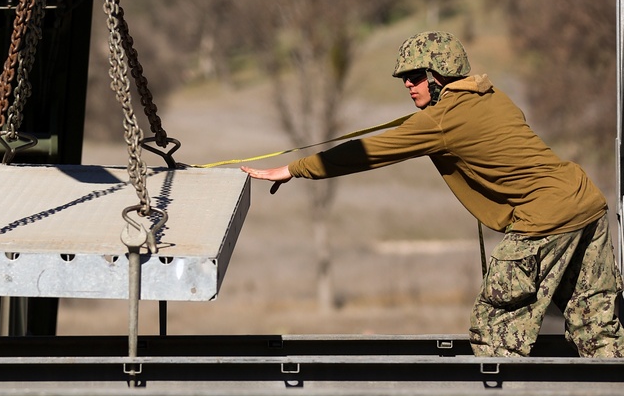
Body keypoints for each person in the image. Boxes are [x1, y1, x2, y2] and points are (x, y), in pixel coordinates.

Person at [242, 30, 624, 358]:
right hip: (586, 202)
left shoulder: (441, 120)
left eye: (414, 76)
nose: (407, 84)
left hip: (545, 219)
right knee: (597, 326)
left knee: (497, 328)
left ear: (439, 76)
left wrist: (294, 168)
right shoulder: (492, 95)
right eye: (403, 78)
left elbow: (369, 153)